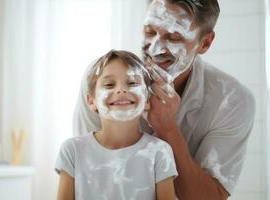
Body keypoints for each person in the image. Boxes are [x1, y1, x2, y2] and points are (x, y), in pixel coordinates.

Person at [73, 0, 256, 199]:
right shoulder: (102, 81)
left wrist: (167, 128)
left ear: (205, 43)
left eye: (173, 37)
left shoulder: (232, 100)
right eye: (150, 32)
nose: (155, 48)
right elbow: (88, 178)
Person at [55, 50, 178, 200]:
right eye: (109, 84)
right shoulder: (72, 150)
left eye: (132, 83)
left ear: (147, 99)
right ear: (91, 101)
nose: (121, 89)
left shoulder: (160, 152)